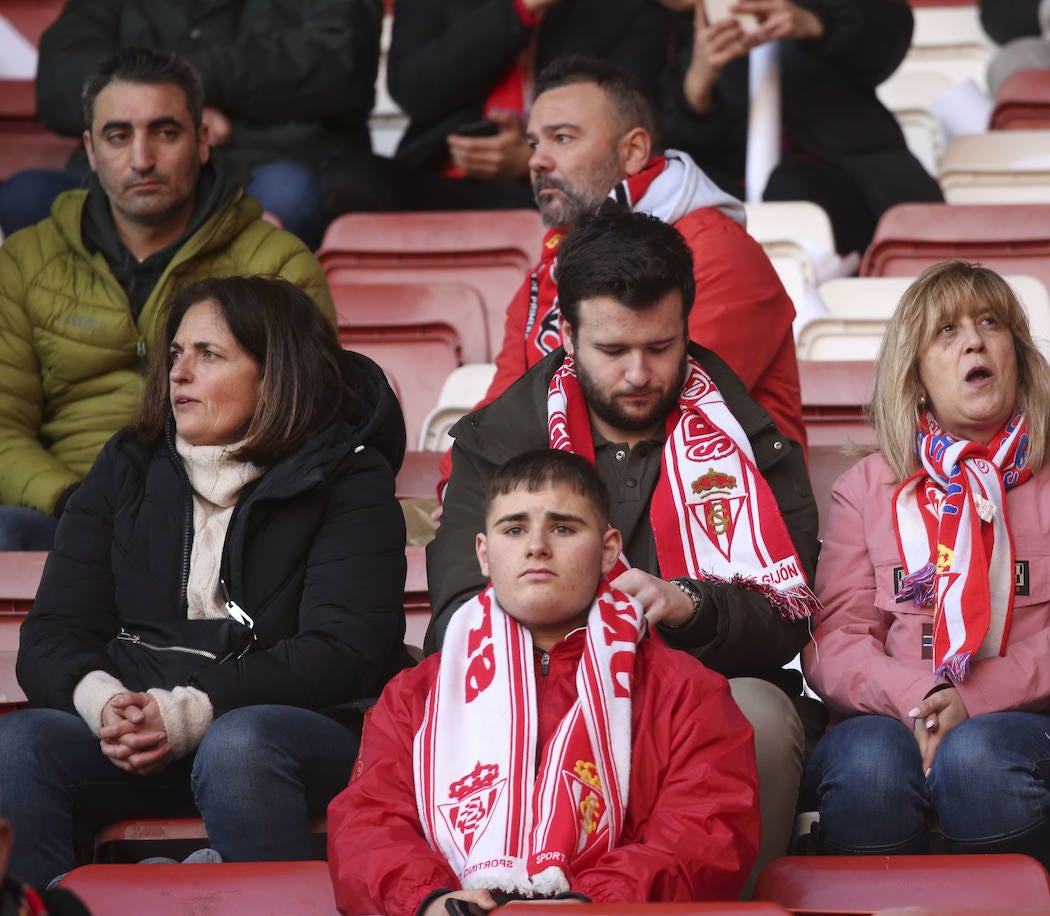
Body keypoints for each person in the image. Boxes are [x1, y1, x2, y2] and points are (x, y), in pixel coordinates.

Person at [427, 207, 819, 892]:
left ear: (687, 328)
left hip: (698, 693)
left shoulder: (748, 437)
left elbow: (788, 618)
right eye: (613, 352)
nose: (639, 373)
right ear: (566, 335)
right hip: (544, 684)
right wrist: (590, 646)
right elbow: (461, 612)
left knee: (754, 710)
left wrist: (690, 607)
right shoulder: (497, 441)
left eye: (661, 347)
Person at [0, 275, 410, 889]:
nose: (178, 374)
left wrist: (190, 709)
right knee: (18, 745)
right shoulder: (126, 465)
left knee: (239, 746)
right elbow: (54, 633)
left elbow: (345, 651)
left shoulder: (348, 478)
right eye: (174, 355)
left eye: (208, 355)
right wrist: (109, 705)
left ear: (276, 374)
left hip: (302, 730)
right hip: (146, 726)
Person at [799, 260, 1050, 901]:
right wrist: (923, 695)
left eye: (990, 323)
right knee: (870, 766)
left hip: (1048, 728)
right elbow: (835, 642)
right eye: (947, 332)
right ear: (916, 377)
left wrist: (975, 701)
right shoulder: (867, 489)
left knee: (978, 757)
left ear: (1016, 353)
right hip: (896, 715)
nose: (974, 342)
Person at [329, 449, 759, 916]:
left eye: (563, 528)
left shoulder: (687, 692)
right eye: (514, 529)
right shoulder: (415, 696)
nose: (536, 546)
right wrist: (427, 901)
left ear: (609, 549)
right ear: (484, 554)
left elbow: (703, 835)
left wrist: (592, 905)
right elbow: (367, 823)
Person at [0, 48, 333, 552]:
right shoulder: (25, 261)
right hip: (68, 517)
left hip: (227, 523)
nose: (142, 159)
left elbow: (309, 418)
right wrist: (77, 500)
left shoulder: (277, 262)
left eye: (165, 132)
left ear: (202, 142)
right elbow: (3, 428)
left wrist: (201, 504)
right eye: (118, 136)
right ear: (90, 150)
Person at [463, 56, 804, 449]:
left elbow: (665, 418)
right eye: (535, 143)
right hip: (565, 496)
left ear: (634, 151)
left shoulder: (716, 250)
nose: (537, 159)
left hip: (717, 500)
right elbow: (500, 406)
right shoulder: (551, 268)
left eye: (563, 138)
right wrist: (460, 487)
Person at [0, 0, 381, 247]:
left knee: (288, 194)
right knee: (26, 198)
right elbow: (58, 80)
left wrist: (182, 87)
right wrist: (172, 108)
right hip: (127, 177)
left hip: (259, 170)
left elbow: (338, 67)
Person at [320, 0, 675, 218]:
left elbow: (630, 116)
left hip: (552, 190)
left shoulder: (626, 9)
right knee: (346, 180)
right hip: (442, 176)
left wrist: (533, 157)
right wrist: (520, 9)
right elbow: (413, 90)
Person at [660, 0, 943, 255]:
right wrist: (695, 92)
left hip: (861, 194)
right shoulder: (637, 29)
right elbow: (654, 159)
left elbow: (888, 31)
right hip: (727, 220)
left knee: (792, 188)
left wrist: (814, 21)